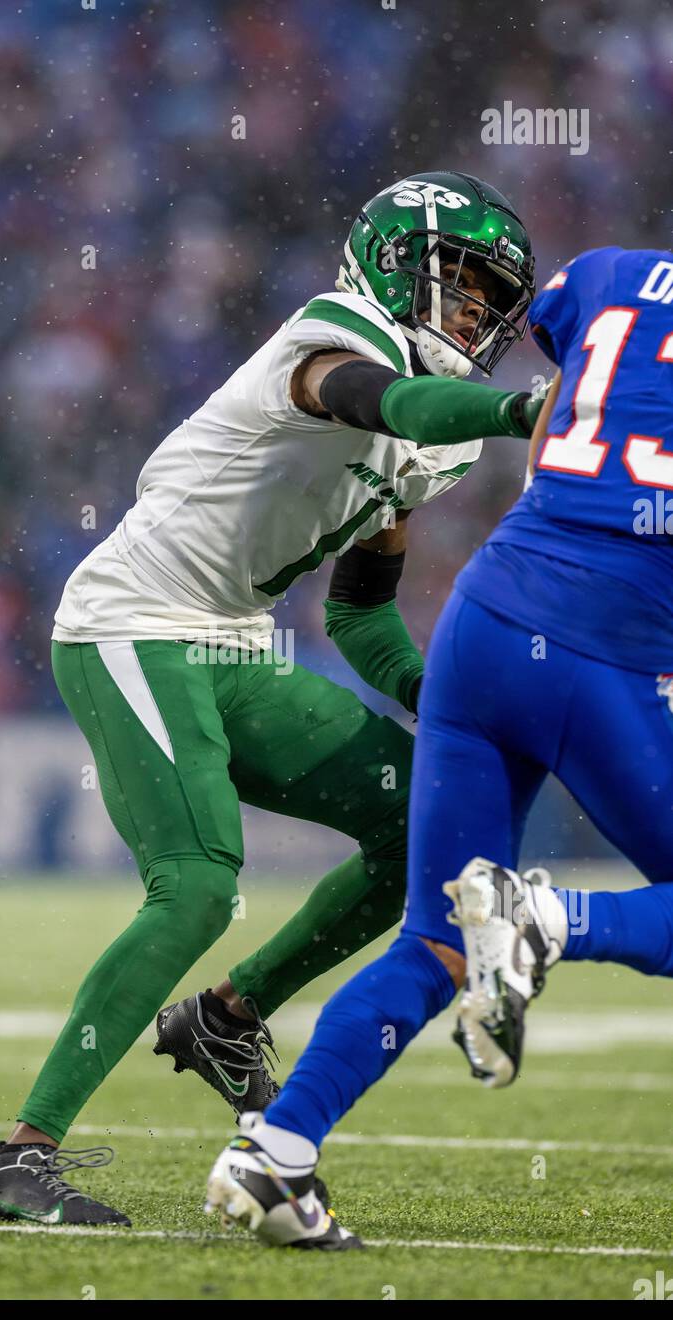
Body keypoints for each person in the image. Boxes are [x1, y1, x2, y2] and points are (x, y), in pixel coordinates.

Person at [0, 172, 543, 1227]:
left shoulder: (443, 436)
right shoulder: (334, 332)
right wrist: (521, 409)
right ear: (393, 265)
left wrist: (446, 702)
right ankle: (18, 1155)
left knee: (422, 818)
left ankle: (228, 1016)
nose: (473, 317)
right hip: (131, 616)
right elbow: (382, 398)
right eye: (458, 286)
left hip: (227, 637)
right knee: (194, 885)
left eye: (486, 302)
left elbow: (360, 615)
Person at [205, 245, 673, 1249]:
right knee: (513, 916)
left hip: (484, 619)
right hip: (599, 649)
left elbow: (562, 362)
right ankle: (551, 919)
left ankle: (274, 1154)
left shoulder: (609, 271)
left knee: (435, 934)